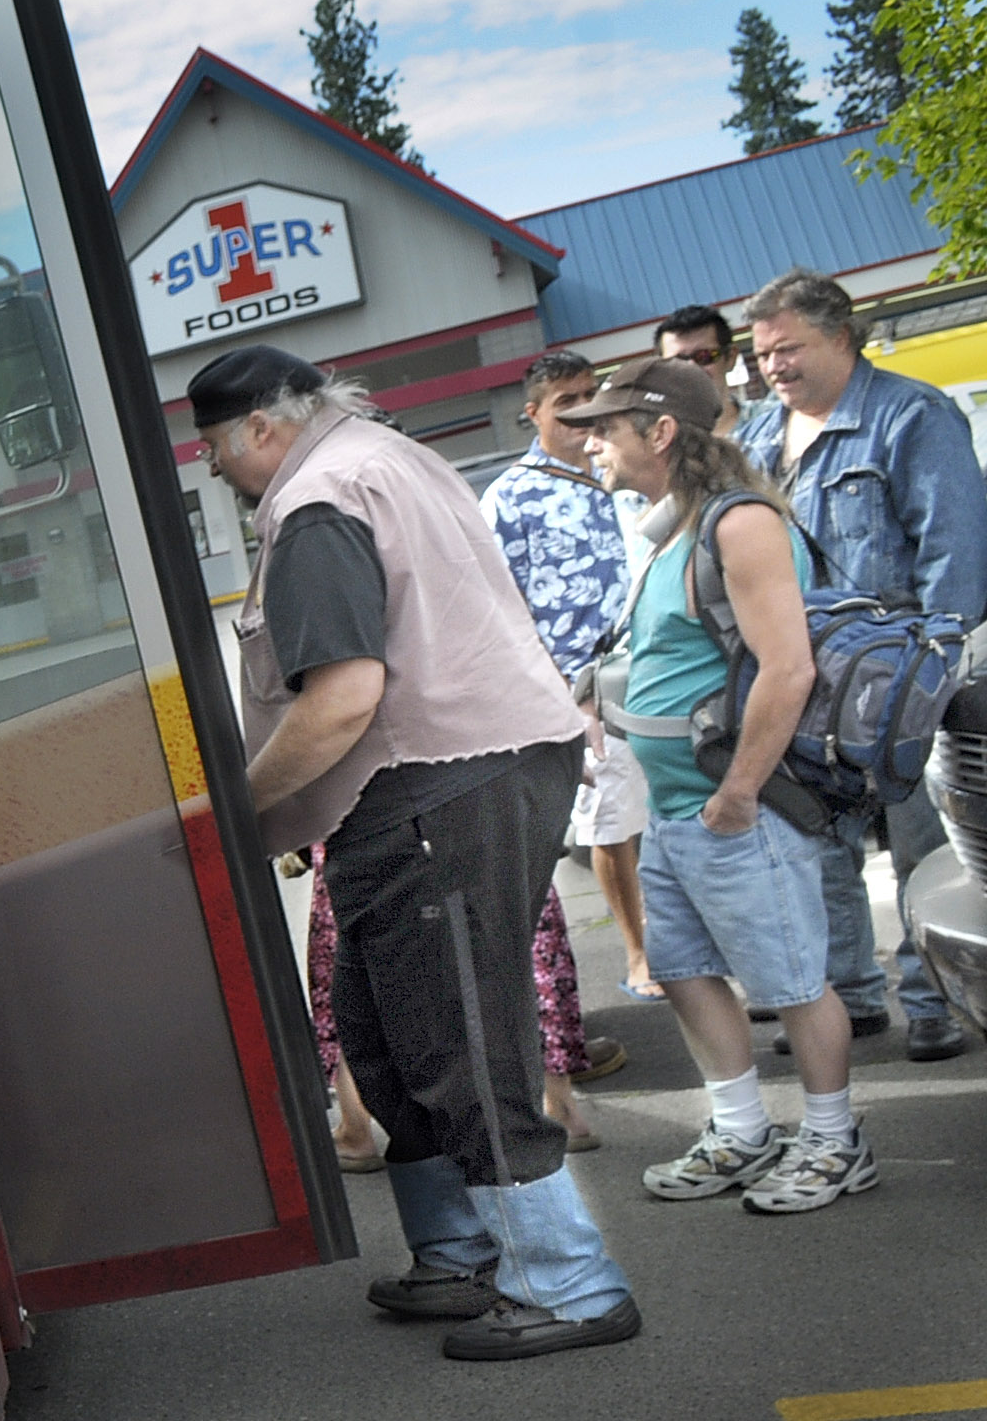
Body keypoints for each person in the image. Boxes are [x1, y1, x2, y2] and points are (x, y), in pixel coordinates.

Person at [203, 344, 637, 1359]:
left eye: (216, 451)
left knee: (460, 1040)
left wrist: (234, 814)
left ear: (262, 427)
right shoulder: (390, 458)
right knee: (385, 1027)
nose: (217, 472)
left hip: (436, 783)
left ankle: (570, 1282)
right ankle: (458, 1252)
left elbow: (345, 694)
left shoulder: (319, 500)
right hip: (460, 775)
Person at [571, 358, 872, 1212]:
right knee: (684, 970)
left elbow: (788, 668)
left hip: (737, 808)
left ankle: (834, 1140)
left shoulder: (737, 526)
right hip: (678, 807)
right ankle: (742, 1131)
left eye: (607, 426)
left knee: (793, 982)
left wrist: (739, 793)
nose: (591, 441)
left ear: (661, 432)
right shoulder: (674, 527)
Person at [736, 266, 987, 1063]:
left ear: (842, 338)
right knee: (821, 847)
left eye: (786, 348)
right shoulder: (754, 438)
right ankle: (853, 997)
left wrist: (938, 679)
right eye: (761, 353)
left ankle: (934, 1006)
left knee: (920, 849)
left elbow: (955, 559)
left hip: (900, 684)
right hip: (799, 679)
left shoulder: (913, 416)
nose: (771, 366)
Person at [483, 347, 652, 1027]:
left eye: (591, 396)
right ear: (532, 413)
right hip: (582, 695)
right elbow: (500, 611)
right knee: (613, 828)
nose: (583, 414)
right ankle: (640, 954)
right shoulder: (511, 498)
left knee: (677, 820)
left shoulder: (631, 470)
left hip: (662, 675)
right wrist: (553, 699)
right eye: (565, 403)